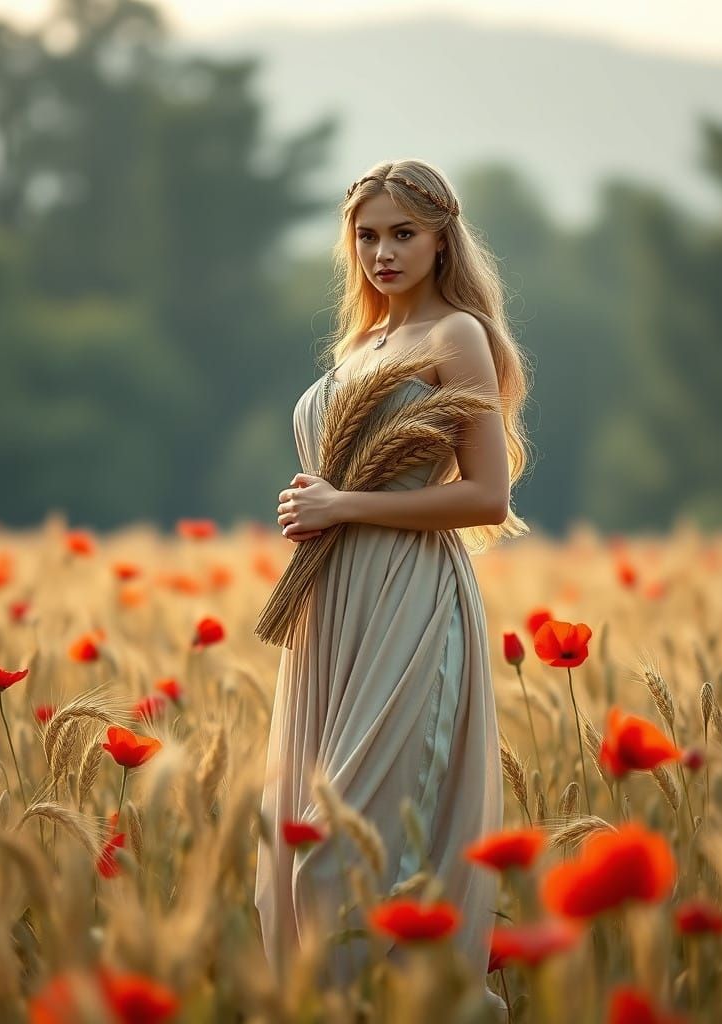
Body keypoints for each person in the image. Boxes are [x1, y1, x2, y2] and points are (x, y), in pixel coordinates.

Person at [254, 159, 532, 1018]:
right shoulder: (359, 347)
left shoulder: (458, 337)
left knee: (344, 854)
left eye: (403, 233)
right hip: (331, 608)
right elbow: (338, 476)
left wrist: (345, 503)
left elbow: (488, 496)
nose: (383, 252)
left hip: (408, 602)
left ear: (442, 237)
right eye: (367, 236)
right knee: (289, 869)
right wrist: (314, 505)